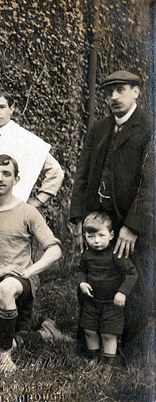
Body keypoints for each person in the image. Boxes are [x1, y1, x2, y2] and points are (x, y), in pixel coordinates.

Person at [69, 70, 155, 357]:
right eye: (109, 92)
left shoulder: (148, 127)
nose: (114, 97)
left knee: (132, 279)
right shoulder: (99, 127)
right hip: (98, 218)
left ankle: (129, 347)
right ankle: (89, 344)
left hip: (130, 220)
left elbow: (151, 182)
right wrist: (79, 217)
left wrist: (133, 226)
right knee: (94, 274)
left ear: (136, 92)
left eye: (121, 90)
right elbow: (82, 173)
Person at [0, 154, 62, 373]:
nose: (0, 178)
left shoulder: (28, 211)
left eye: (6, 174)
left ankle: (5, 357)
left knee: (6, 288)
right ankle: (45, 333)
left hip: (20, 285)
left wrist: (27, 273)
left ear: (16, 180)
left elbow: (54, 250)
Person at [78, 212, 137, 367]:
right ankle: (93, 358)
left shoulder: (116, 254)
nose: (96, 241)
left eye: (101, 235)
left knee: (108, 334)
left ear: (111, 235)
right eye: (91, 236)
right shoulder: (86, 255)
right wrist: (82, 283)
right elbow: (81, 271)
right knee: (89, 330)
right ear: (84, 236)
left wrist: (122, 292)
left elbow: (132, 273)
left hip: (112, 303)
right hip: (91, 301)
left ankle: (108, 364)